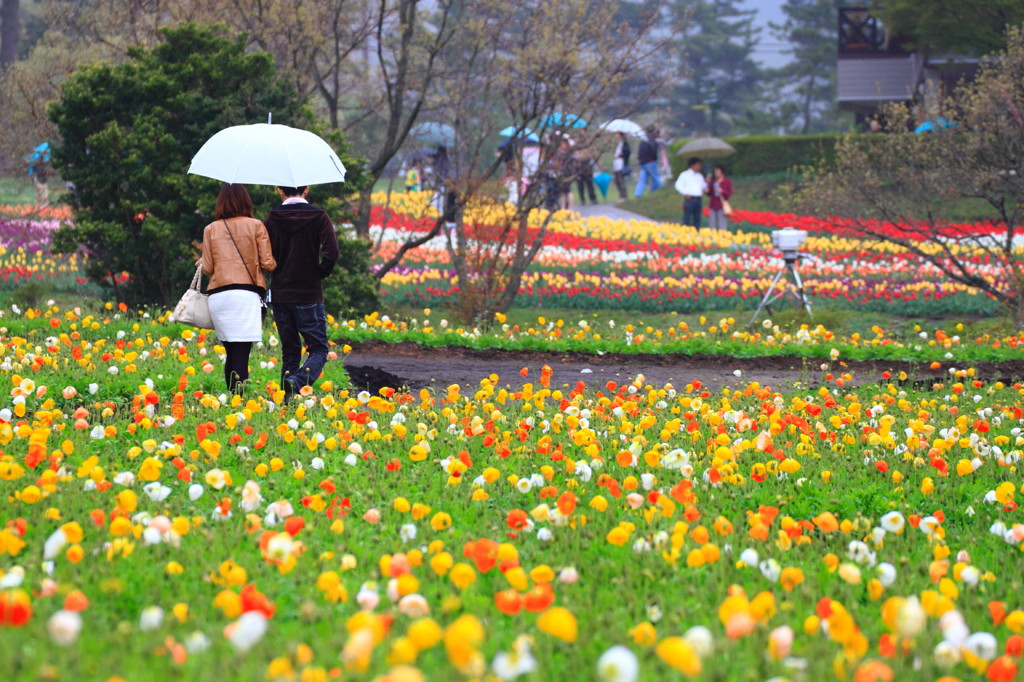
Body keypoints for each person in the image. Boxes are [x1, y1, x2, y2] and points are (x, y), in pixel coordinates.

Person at [263, 185, 339, 401]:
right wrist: (318, 273)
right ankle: (297, 382)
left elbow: (263, 254)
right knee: (318, 349)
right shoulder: (319, 216)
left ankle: (284, 404)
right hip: (308, 293)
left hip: (280, 293)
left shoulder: (271, 219)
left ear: (280, 190)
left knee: (290, 350)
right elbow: (331, 253)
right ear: (306, 189)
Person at [201, 183, 276, 393]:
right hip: (245, 295)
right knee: (241, 353)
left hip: (219, 296)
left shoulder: (211, 229)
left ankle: (232, 398)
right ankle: (239, 402)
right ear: (246, 201)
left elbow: (207, 268)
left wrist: (201, 261)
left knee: (231, 351)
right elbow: (268, 263)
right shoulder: (256, 226)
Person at [674, 157, 707, 228]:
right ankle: (685, 235)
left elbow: (703, 186)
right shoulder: (685, 174)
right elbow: (678, 185)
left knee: (697, 219)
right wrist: (684, 193)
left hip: (698, 199)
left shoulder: (700, 176)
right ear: (693, 165)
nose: (699, 167)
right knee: (687, 218)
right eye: (698, 165)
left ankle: (696, 234)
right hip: (689, 199)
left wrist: (707, 184)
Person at [633, 126, 663, 197]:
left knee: (642, 179)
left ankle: (638, 194)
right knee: (656, 178)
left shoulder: (643, 141)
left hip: (642, 163)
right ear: (653, 133)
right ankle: (662, 191)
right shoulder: (652, 142)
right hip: (650, 163)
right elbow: (653, 153)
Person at [707, 165, 733, 230]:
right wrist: (707, 190)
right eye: (715, 171)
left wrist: (722, 191)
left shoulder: (727, 181)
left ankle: (722, 236)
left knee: (722, 223)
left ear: (722, 172)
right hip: (713, 204)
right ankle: (712, 237)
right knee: (712, 222)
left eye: (718, 171)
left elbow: (729, 193)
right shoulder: (713, 181)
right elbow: (709, 193)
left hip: (721, 204)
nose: (716, 173)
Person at [612, 132, 631, 199]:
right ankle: (621, 195)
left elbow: (627, 153)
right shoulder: (619, 144)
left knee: (621, 181)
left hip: (621, 165)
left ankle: (624, 196)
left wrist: (619, 156)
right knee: (617, 181)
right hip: (616, 165)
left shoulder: (625, 143)